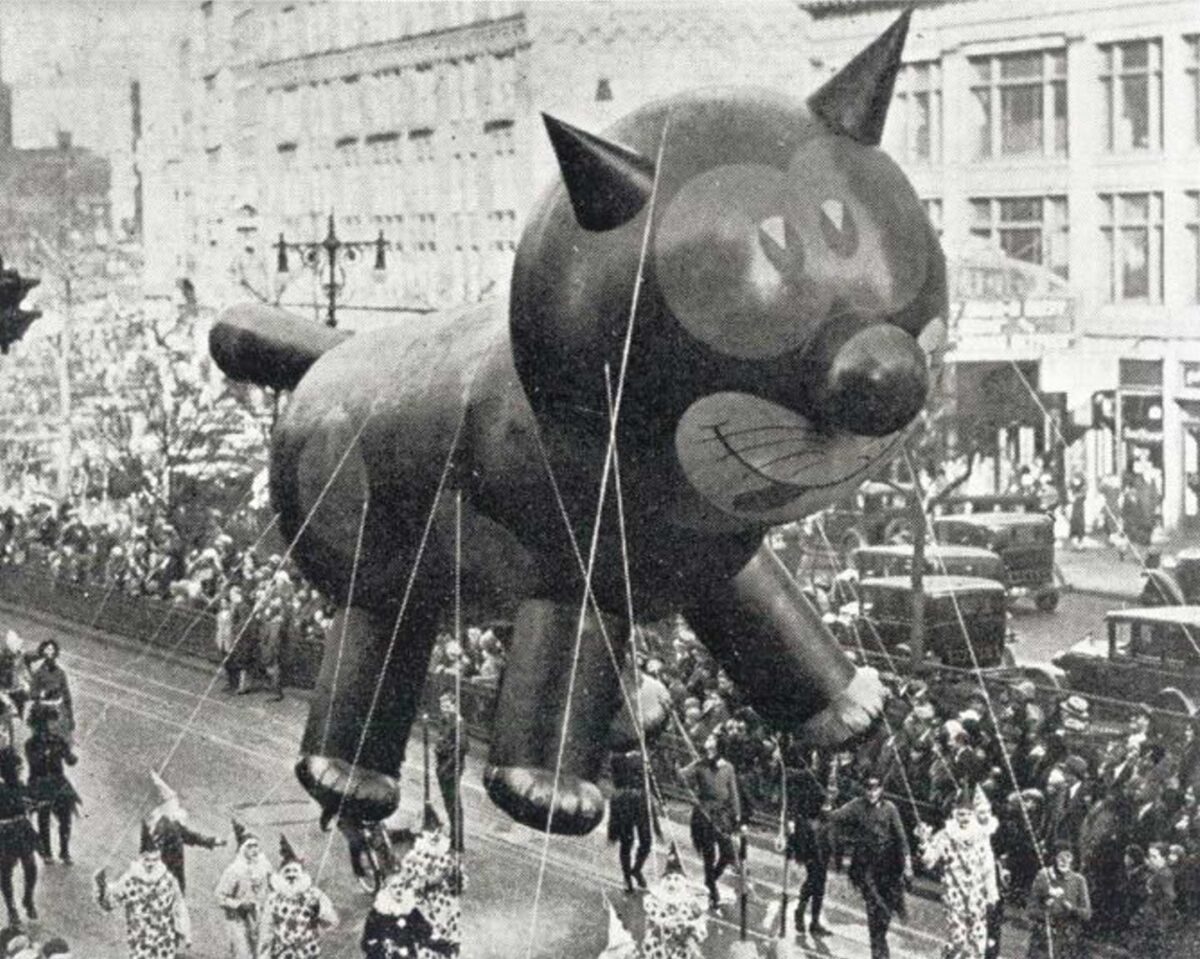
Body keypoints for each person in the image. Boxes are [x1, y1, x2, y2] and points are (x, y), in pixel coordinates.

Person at [828, 775, 912, 959]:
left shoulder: (890, 808)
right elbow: (835, 816)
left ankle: (880, 949)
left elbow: (901, 837)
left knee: (886, 912)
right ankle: (880, 954)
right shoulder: (857, 805)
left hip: (889, 866)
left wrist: (907, 864)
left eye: (875, 789)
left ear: (881, 789)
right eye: (868, 789)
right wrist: (829, 802)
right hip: (867, 867)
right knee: (875, 910)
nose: (872, 793)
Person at [95, 823, 192, 959]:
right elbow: (109, 903)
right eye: (147, 860)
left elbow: (179, 905)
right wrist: (101, 886)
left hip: (164, 945)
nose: (151, 864)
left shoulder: (168, 879)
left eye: (155, 860)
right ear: (141, 858)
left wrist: (186, 932)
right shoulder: (130, 880)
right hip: (140, 945)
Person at [916, 787, 991, 959]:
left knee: (978, 945)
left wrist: (990, 889)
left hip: (977, 897)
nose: (964, 819)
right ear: (954, 815)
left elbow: (987, 865)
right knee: (957, 940)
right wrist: (924, 842)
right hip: (954, 895)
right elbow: (929, 861)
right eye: (961, 814)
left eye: (968, 815)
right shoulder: (945, 835)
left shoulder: (981, 836)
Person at [678, 735, 742, 910]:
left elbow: (733, 793)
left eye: (712, 743)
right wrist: (685, 768)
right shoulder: (700, 765)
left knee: (728, 853)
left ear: (718, 747)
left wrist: (737, 816)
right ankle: (713, 891)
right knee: (709, 855)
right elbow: (682, 777)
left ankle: (710, 878)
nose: (708, 745)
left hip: (722, 816)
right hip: (704, 815)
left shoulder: (728, 767)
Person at [257, 834, 338, 958]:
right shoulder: (274, 898)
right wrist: (263, 954)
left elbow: (332, 921)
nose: (291, 875)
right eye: (287, 871)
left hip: (308, 953)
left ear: (301, 874)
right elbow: (266, 929)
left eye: (295, 871)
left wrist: (318, 910)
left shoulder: (314, 894)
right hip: (282, 954)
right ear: (281, 875)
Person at [144, 771, 225, 894]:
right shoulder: (167, 823)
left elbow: (189, 836)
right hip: (169, 859)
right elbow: (190, 836)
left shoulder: (169, 822)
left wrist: (212, 841)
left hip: (171, 858)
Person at [784, 748, 833, 937]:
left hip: (823, 833)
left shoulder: (828, 781)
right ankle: (802, 913)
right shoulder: (806, 776)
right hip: (808, 834)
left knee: (820, 880)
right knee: (816, 877)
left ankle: (812, 920)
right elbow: (787, 777)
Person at [23, 712, 78, 865]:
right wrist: (53, 752)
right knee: (44, 818)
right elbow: (34, 762)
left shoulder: (58, 740)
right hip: (40, 783)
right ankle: (47, 852)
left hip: (58, 781)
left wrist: (69, 754)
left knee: (65, 817)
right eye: (50, 722)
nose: (54, 726)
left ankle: (64, 851)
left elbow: (70, 761)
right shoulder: (31, 744)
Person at [214, 820, 272, 959]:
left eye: (256, 846)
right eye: (250, 847)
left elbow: (275, 888)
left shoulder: (265, 868)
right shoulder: (234, 870)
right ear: (242, 849)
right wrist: (238, 905)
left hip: (260, 918)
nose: (254, 850)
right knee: (243, 954)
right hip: (239, 921)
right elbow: (219, 895)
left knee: (263, 954)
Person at [360, 870, 449, 959]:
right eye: (394, 887)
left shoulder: (409, 909)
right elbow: (367, 942)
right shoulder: (378, 912)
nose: (399, 889)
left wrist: (444, 946)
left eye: (401, 886)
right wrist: (386, 948)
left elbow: (424, 932)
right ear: (387, 889)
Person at [1026, 843, 1090, 959]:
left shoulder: (1079, 881)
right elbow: (1030, 910)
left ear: (1073, 859)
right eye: (1060, 857)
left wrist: (1072, 909)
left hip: (1067, 940)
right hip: (1044, 939)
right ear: (1054, 858)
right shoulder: (1043, 876)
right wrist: (1045, 911)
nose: (1064, 860)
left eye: (1068, 856)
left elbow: (1087, 914)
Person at [607, 748, 656, 894]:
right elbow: (613, 762)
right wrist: (626, 755)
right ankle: (627, 877)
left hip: (641, 800)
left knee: (646, 841)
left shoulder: (645, 757)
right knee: (627, 841)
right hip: (624, 800)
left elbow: (650, 780)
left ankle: (636, 869)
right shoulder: (620, 756)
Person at [0, 750, 37, 928]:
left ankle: (28, 898)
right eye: (17, 768)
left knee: (31, 867)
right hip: (5, 831)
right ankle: (11, 908)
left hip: (22, 828)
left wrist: (31, 804)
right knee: (5, 872)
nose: (20, 771)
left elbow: (30, 802)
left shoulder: (20, 785)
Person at [433, 692, 467, 854]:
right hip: (443, 768)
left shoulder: (458, 724)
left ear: (455, 706)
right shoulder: (446, 720)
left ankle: (458, 843)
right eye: (442, 706)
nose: (444, 710)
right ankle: (455, 838)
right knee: (449, 804)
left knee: (454, 806)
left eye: (447, 707)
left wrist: (444, 769)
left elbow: (461, 749)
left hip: (451, 770)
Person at [1128, 842, 1176, 959]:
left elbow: (1170, 896)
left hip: (1157, 919)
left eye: (1155, 857)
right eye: (1150, 856)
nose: (1151, 860)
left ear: (1164, 858)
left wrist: (1154, 908)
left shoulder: (1164, 874)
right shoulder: (1158, 872)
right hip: (1151, 917)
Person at [27, 642, 72, 743]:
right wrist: (41, 694)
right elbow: (32, 693)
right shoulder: (38, 673)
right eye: (47, 650)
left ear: (56, 653)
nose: (50, 653)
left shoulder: (61, 673)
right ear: (43, 653)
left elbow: (66, 694)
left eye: (52, 650)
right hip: (42, 710)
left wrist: (70, 716)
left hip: (57, 711)